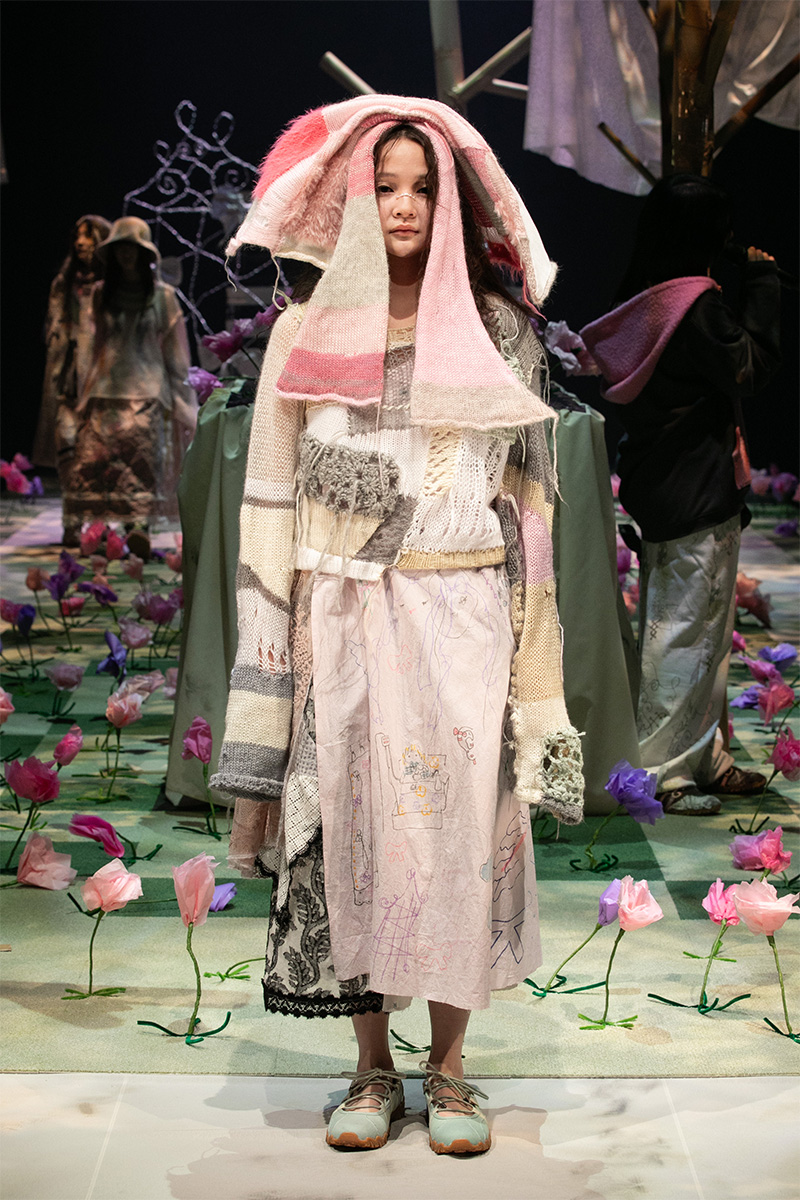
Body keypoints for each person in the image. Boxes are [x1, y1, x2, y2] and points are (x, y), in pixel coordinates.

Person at [211, 96, 584, 1156]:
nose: (405, 205)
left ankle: (450, 1070)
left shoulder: (502, 334)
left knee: (465, 834)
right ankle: (371, 1066)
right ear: (353, 200)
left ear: (452, 203)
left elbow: (530, 510)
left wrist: (534, 666)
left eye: (424, 188)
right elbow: (269, 503)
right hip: (342, 618)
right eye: (384, 186)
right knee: (355, 833)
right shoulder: (305, 330)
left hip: (465, 614)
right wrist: (275, 654)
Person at [581, 174, 781, 815]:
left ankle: (705, 759)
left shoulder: (651, 300)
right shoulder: (696, 307)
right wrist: (764, 286)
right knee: (684, 632)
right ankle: (666, 772)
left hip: (668, 482)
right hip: (695, 488)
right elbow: (748, 367)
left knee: (701, 630)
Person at [69, 217, 197, 557]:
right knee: (100, 466)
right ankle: (102, 531)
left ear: (144, 253)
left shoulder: (163, 297)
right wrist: (83, 392)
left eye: (132, 248)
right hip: (105, 392)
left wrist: (184, 399)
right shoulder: (100, 294)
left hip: (147, 393)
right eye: (120, 248)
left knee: (141, 466)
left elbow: (176, 353)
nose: (126, 254)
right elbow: (90, 348)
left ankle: (137, 529)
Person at [33, 214, 111, 546]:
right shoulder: (64, 284)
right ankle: (72, 519)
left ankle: (98, 523)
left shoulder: (113, 286)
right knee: (67, 446)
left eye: (89, 236)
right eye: (78, 236)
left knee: (99, 454)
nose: (81, 242)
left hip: (104, 382)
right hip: (68, 381)